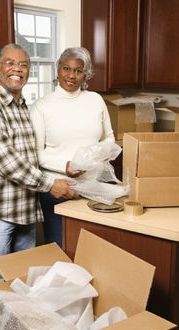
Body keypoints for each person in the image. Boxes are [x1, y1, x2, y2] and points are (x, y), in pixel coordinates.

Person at [0, 43, 77, 321]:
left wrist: (62, 170)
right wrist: (50, 184)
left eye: (24, 64)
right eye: (9, 63)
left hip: (24, 209)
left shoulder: (21, 106)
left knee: (22, 281)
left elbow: (31, 156)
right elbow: (6, 160)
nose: (17, 69)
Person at [30, 47, 115, 247]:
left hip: (93, 185)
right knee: (62, 248)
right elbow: (37, 154)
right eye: (66, 68)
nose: (71, 75)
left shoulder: (95, 100)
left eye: (78, 70)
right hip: (59, 188)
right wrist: (66, 166)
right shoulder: (42, 106)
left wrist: (96, 157)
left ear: (86, 74)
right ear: (57, 70)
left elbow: (109, 138)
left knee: (93, 248)